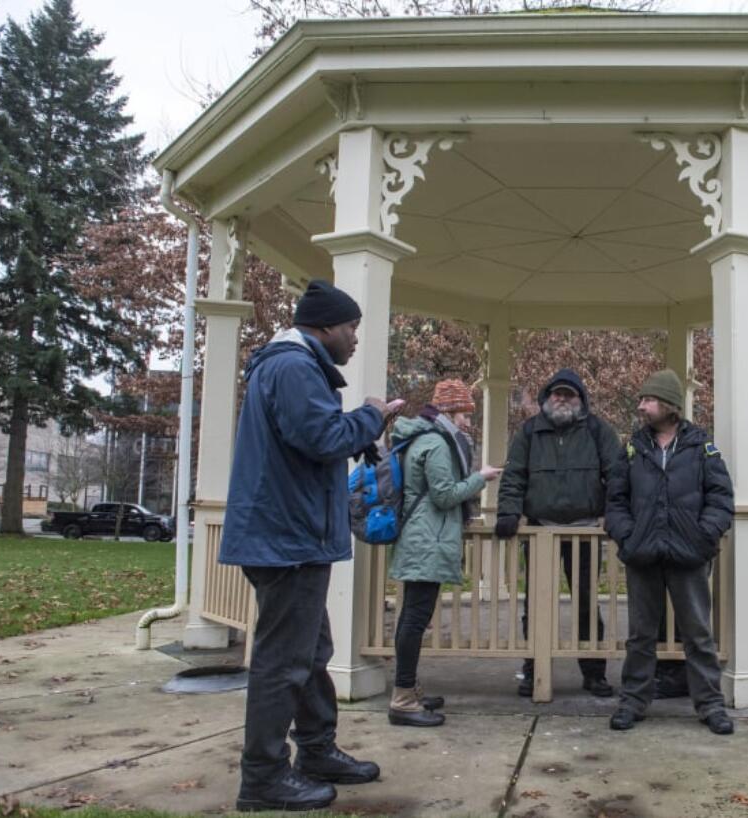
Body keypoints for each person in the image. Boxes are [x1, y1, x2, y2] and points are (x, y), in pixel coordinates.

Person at [219, 280, 399, 812]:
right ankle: (264, 778)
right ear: (324, 327)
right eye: (351, 328)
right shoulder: (294, 368)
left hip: (289, 538)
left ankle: (316, 751)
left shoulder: (289, 367)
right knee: (283, 661)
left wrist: (359, 428)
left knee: (311, 651)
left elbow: (311, 438)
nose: (355, 339)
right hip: (285, 540)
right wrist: (370, 414)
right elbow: (322, 439)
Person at [604, 369, 736, 735]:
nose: (641, 406)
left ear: (668, 405)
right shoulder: (632, 449)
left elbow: (721, 499)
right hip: (643, 555)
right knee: (640, 635)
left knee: (698, 634)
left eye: (647, 400)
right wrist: (628, 538)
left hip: (688, 556)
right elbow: (615, 501)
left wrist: (702, 536)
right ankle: (632, 702)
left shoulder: (701, 447)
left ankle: (711, 706)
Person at [494, 369, 625, 698]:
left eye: (570, 394)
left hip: (586, 533)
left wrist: (613, 512)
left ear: (581, 400)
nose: (562, 399)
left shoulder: (597, 431)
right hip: (540, 532)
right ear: (546, 398)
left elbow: (618, 474)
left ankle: (594, 672)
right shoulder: (528, 432)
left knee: (586, 601)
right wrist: (509, 512)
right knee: (536, 603)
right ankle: (534, 668)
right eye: (557, 393)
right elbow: (513, 477)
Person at [387, 379, 502, 727]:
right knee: (414, 619)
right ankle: (403, 699)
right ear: (450, 412)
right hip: (427, 541)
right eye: (465, 414)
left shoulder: (426, 438)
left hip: (423, 538)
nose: (468, 422)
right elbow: (445, 495)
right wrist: (480, 478)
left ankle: (408, 688)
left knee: (412, 617)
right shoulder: (437, 444)